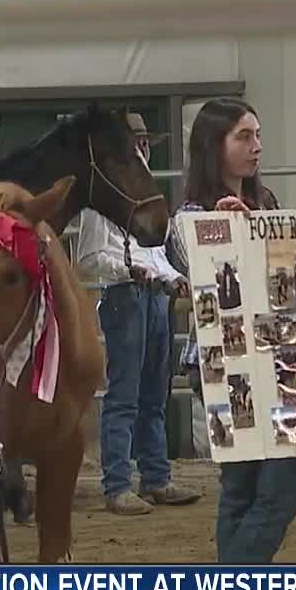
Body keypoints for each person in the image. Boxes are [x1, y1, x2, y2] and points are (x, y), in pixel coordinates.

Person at [165, 97, 296, 563]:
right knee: (253, 487)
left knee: (267, 487)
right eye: (244, 136)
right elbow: (197, 269)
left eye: (258, 135)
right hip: (226, 366)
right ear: (212, 145)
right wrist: (230, 232)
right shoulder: (187, 218)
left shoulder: (267, 204)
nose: (257, 146)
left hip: (280, 361)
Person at [76, 112, 203, 515]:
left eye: (146, 142)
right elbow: (90, 257)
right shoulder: (101, 202)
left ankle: (154, 478)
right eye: (137, 142)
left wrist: (171, 276)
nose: (144, 149)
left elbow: (156, 253)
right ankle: (119, 484)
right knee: (127, 395)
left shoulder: (146, 197)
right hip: (126, 296)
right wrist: (130, 270)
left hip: (152, 297)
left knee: (153, 395)